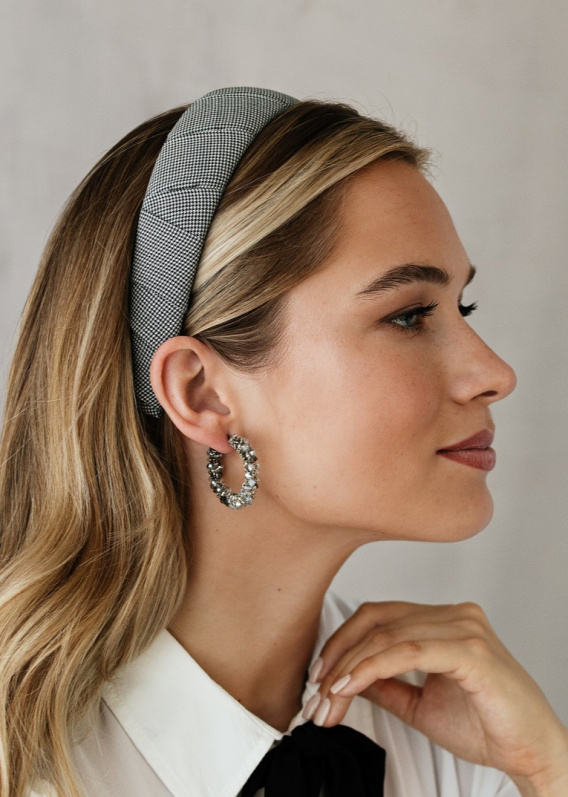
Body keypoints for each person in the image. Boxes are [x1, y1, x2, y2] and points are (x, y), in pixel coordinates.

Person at [0, 86, 566, 797]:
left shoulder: (459, 735)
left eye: (464, 306)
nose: (495, 373)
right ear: (202, 394)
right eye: (409, 316)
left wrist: (549, 769)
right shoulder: (24, 760)